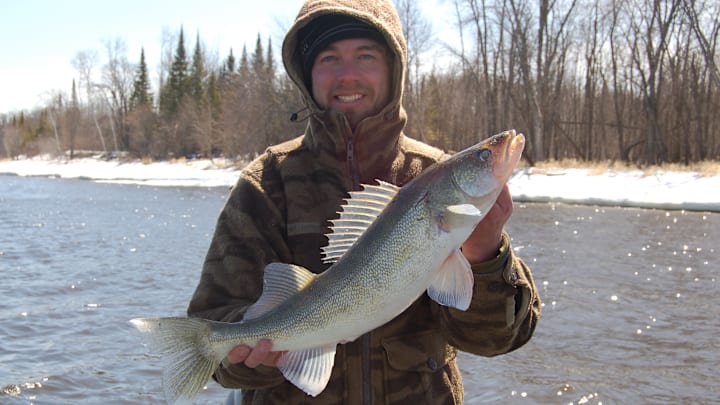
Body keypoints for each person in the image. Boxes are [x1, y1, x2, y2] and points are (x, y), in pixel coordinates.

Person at [187, 0, 541, 403]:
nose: (348, 74)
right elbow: (214, 330)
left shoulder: (432, 176)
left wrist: (485, 256)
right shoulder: (266, 184)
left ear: (394, 69)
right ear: (307, 74)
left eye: (366, 56)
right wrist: (247, 354)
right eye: (329, 58)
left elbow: (497, 339)